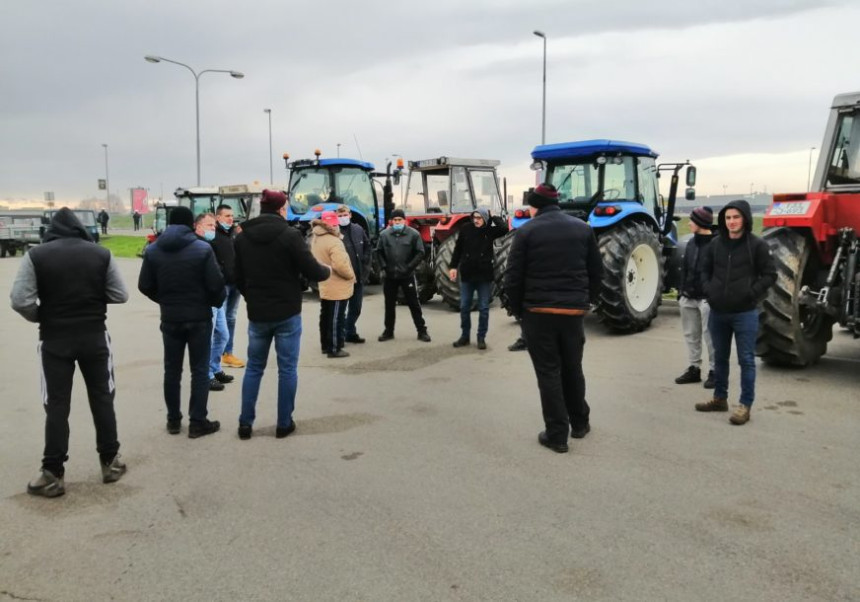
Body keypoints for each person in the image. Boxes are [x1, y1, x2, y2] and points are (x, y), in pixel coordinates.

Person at [10, 208, 129, 497]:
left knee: (57, 404)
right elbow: (120, 294)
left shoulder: (36, 255)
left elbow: (20, 300)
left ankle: (52, 473)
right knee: (102, 397)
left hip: (54, 340)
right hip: (94, 336)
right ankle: (110, 463)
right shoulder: (100, 254)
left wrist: (43, 316)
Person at [504, 184, 603, 454]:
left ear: (535, 205)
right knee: (573, 367)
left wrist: (517, 310)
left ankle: (557, 434)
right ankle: (580, 423)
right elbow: (597, 271)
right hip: (572, 313)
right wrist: (586, 301)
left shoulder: (526, 231)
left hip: (537, 313)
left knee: (548, 372)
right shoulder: (583, 228)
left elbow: (513, 276)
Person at [234, 189, 331, 440]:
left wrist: (251, 296)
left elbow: (237, 277)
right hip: (287, 312)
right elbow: (312, 270)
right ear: (280, 209)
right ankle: (283, 423)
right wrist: (327, 271)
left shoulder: (242, 238)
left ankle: (245, 424)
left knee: (254, 368)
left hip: (257, 313)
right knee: (287, 369)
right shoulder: (290, 235)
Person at [138, 206, 225, 439]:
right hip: (199, 318)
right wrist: (214, 302)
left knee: (172, 370)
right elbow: (216, 285)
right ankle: (197, 422)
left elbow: (144, 285)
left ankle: (173, 420)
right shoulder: (202, 249)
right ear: (189, 224)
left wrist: (164, 299)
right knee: (199, 370)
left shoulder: (154, 249)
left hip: (170, 318)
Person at [696, 199, 776, 425]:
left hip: (745, 313)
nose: (731, 222)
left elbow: (770, 274)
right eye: (728, 218)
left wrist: (751, 293)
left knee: (746, 360)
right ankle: (720, 398)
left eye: (736, 217)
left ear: (745, 219)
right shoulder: (715, 245)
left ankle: (745, 405)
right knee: (719, 358)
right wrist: (709, 290)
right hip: (718, 312)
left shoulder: (757, 245)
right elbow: (704, 270)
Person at [448, 207, 509, 349]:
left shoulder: (490, 230)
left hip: (483, 276)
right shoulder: (465, 229)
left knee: (483, 308)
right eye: (474, 217)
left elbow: (504, 228)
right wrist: (453, 267)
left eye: (479, 218)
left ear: (485, 218)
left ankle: (481, 337)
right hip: (467, 275)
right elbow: (458, 249)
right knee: (464, 307)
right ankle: (464, 336)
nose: (476, 220)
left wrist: (493, 216)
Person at [675, 207, 716, 389]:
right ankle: (694, 369)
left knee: (711, 337)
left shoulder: (716, 245)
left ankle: (715, 371)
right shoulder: (691, 243)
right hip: (688, 297)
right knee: (691, 335)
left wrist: (712, 295)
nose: (689, 223)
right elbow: (684, 269)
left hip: (707, 300)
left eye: (692, 220)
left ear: (700, 223)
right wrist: (681, 292)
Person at [376, 208, 431, 342]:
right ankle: (388, 331)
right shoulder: (384, 235)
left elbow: (420, 252)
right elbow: (378, 251)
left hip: (407, 275)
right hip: (390, 276)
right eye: (395, 220)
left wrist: (410, 267)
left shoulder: (413, 234)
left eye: (399, 220)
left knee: (414, 304)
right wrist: (384, 267)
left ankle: (422, 331)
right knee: (389, 305)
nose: (397, 222)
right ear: (391, 221)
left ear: (404, 221)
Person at [194, 212, 233, 392]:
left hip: (217, 298)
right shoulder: (197, 246)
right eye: (210, 226)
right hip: (207, 300)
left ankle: (215, 368)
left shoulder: (210, 244)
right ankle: (207, 376)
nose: (213, 229)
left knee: (223, 335)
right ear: (198, 226)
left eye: (214, 226)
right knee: (208, 339)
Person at [311, 210, 356, 358]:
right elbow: (341, 265)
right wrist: (351, 275)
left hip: (324, 282)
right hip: (336, 284)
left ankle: (325, 345)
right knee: (336, 317)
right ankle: (335, 348)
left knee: (326, 316)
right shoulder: (334, 241)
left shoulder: (316, 237)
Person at [213, 204, 246, 369]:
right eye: (227, 216)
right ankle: (215, 357)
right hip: (222, 285)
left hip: (236, 284)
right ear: (218, 217)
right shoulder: (213, 235)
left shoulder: (235, 233)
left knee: (231, 318)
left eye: (232, 216)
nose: (231, 219)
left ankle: (228, 353)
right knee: (220, 321)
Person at [335, 204, 372, 344]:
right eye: (340, 216)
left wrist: (366, 266)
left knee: (356, 308)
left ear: (350, 215)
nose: (343, 217)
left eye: (345, 215)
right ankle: (341, 334)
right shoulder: (334, 232)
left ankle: (350, 331)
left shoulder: (358, 229)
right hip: (343, 277)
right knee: (341, 309)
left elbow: (368, 247)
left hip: (358, 276)